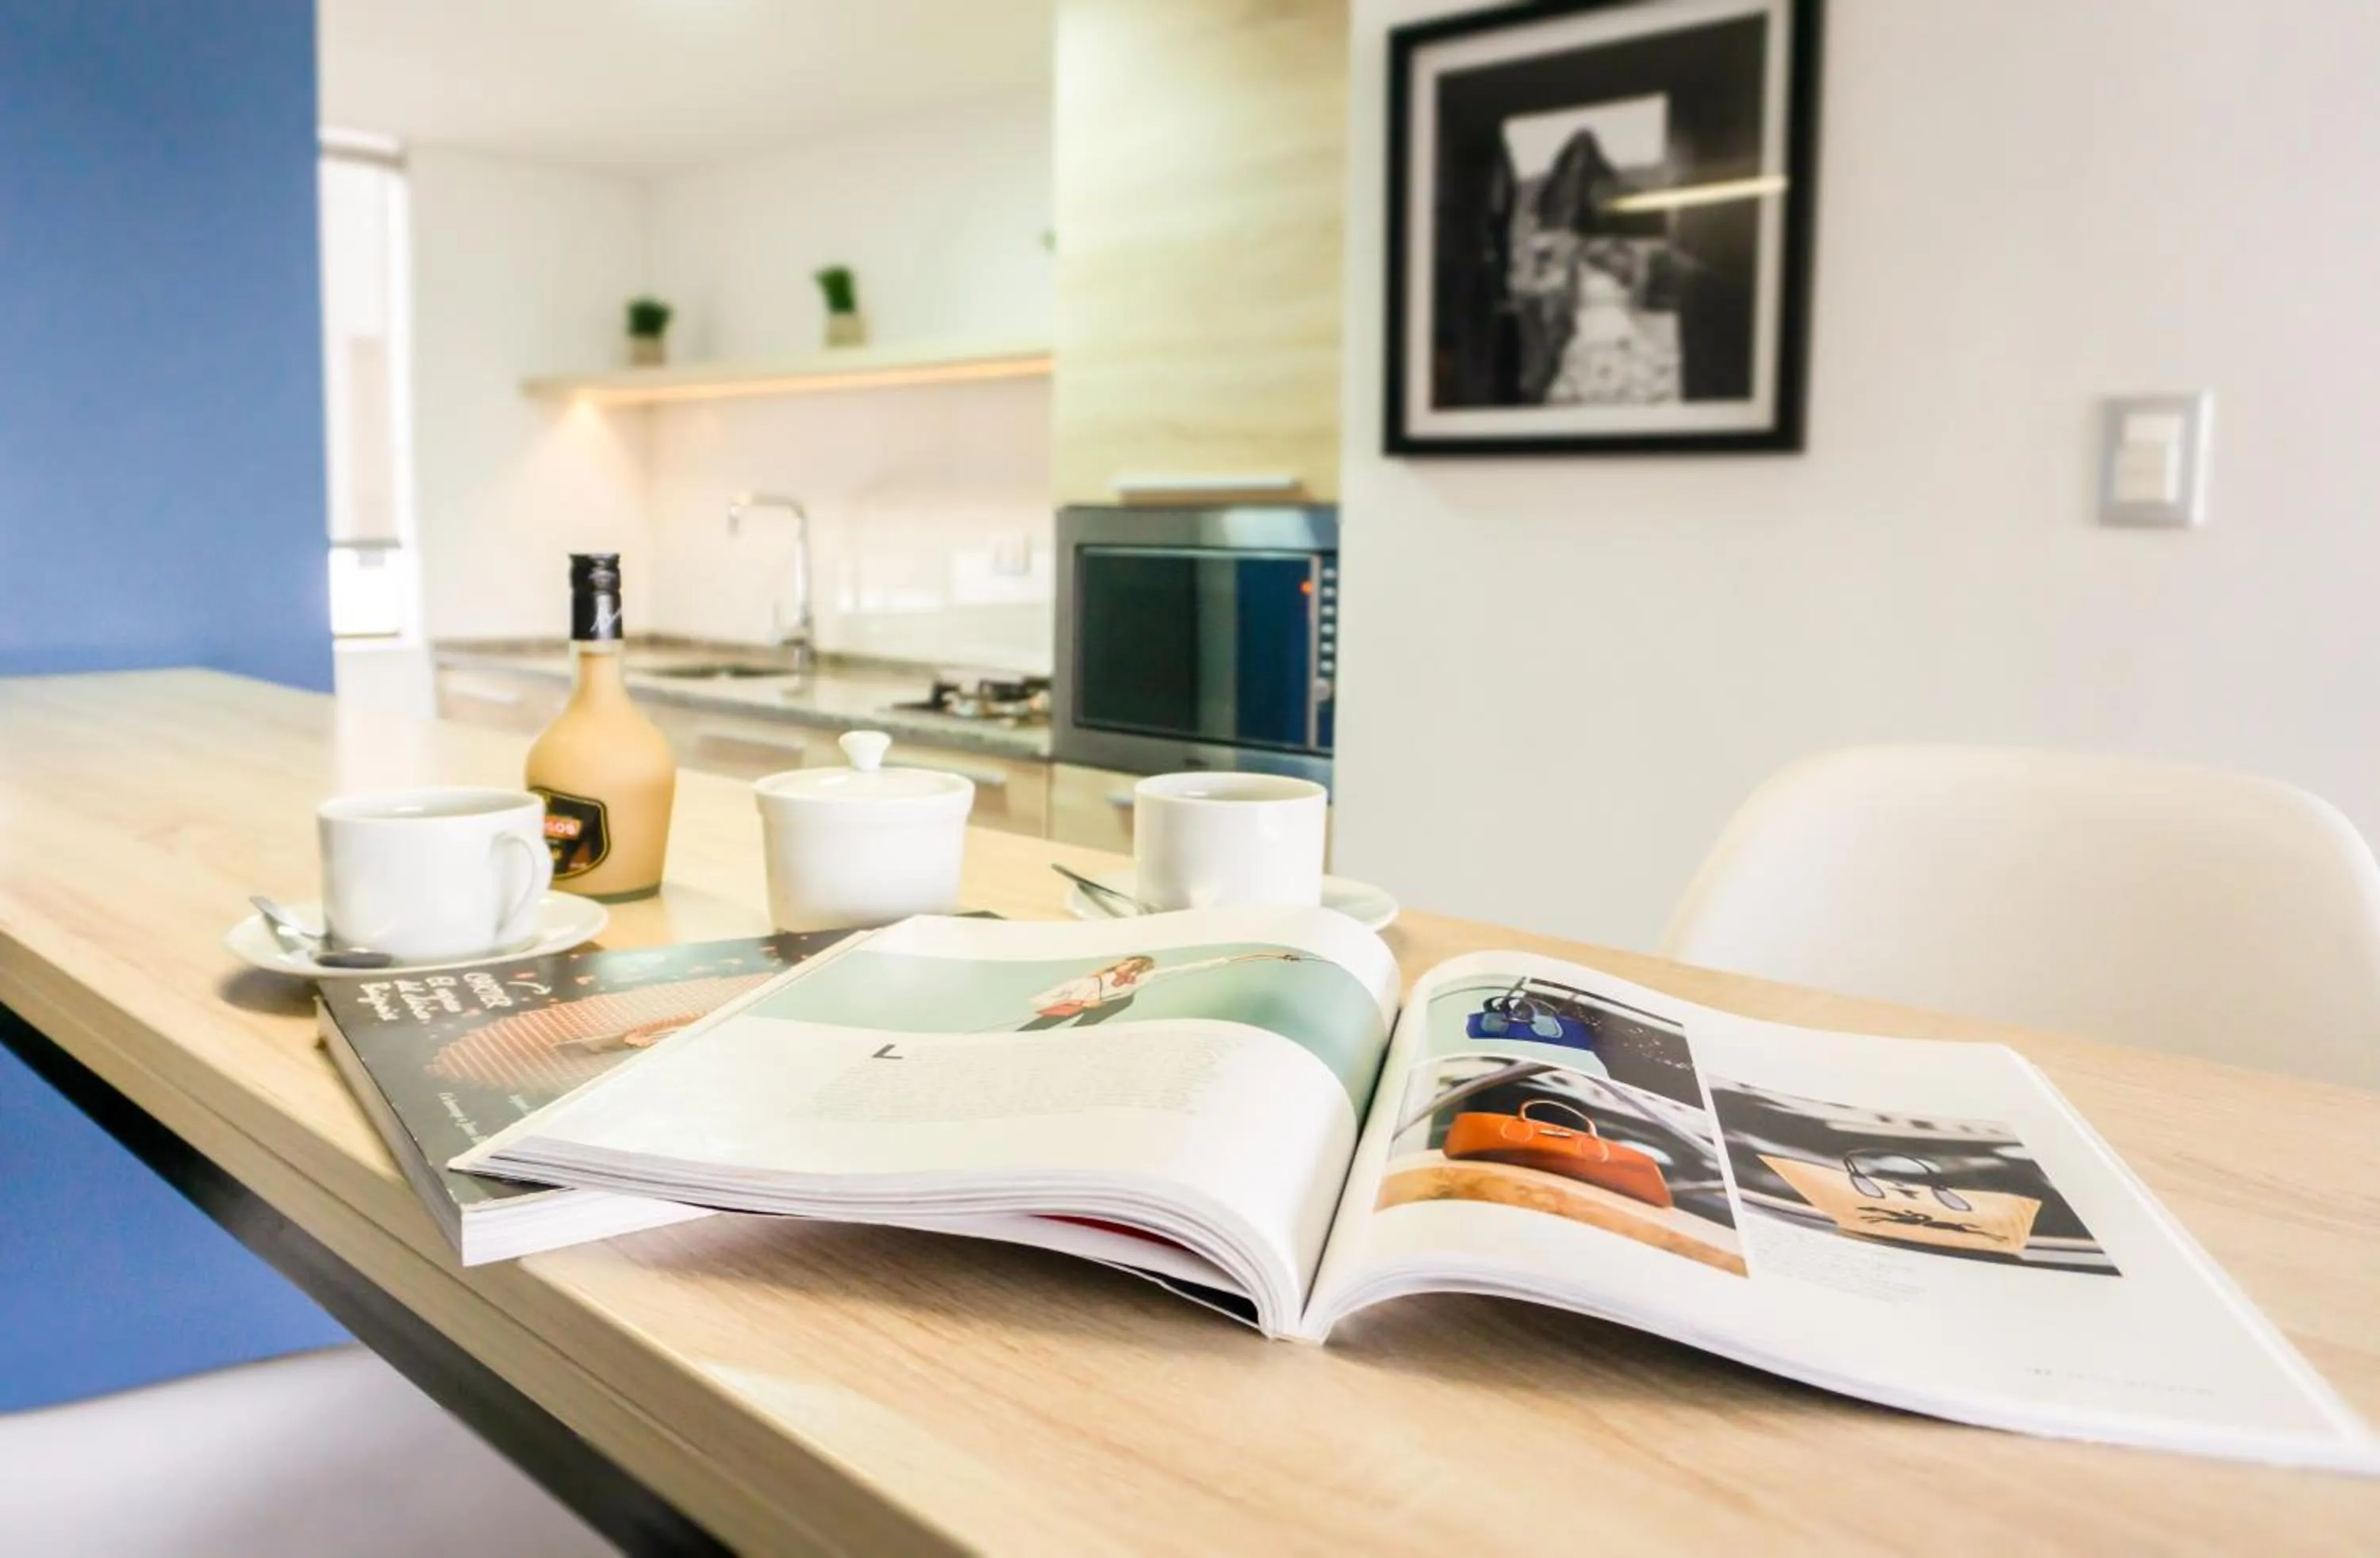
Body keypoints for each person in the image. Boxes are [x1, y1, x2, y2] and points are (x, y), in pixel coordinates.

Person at [1016, 950, 1303, 1030]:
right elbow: (1054, 994)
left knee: (1089, 1026)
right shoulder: (1089, 981)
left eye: (1140, 966)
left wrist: (1240, 959)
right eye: (1133, 962)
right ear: (1123, 962)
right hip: (1074, 1004)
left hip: (1105, 1008)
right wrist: (1075, 1002)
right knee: (1040, 1025)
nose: (1134, 968)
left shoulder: (1140, 982)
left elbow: (1187, 969)